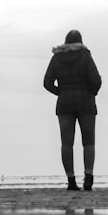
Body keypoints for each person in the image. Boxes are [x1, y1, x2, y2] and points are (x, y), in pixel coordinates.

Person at [43, 29, 102, 191]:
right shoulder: (85, 55)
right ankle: (88, 178)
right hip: (86, 103)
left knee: (66, 144)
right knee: (88, 142)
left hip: (65, 104)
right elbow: (96, 80)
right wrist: (91, 92)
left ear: (65, 42)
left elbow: (47, 82)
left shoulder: (57, 58)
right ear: (80, 41)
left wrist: (61, 93)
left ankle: (71, 181)